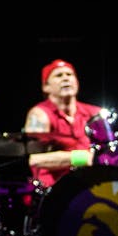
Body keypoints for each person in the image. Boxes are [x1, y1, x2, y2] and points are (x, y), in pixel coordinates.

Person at [21, 59, 104, 190]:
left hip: (92, 184)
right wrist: (82, 158)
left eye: (69, 75)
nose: (65, 78)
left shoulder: (95, 113)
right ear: (46, 86)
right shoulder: (39, 114)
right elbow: (35, 159)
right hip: (55, 190)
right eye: (58, 75)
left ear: (77, 82)